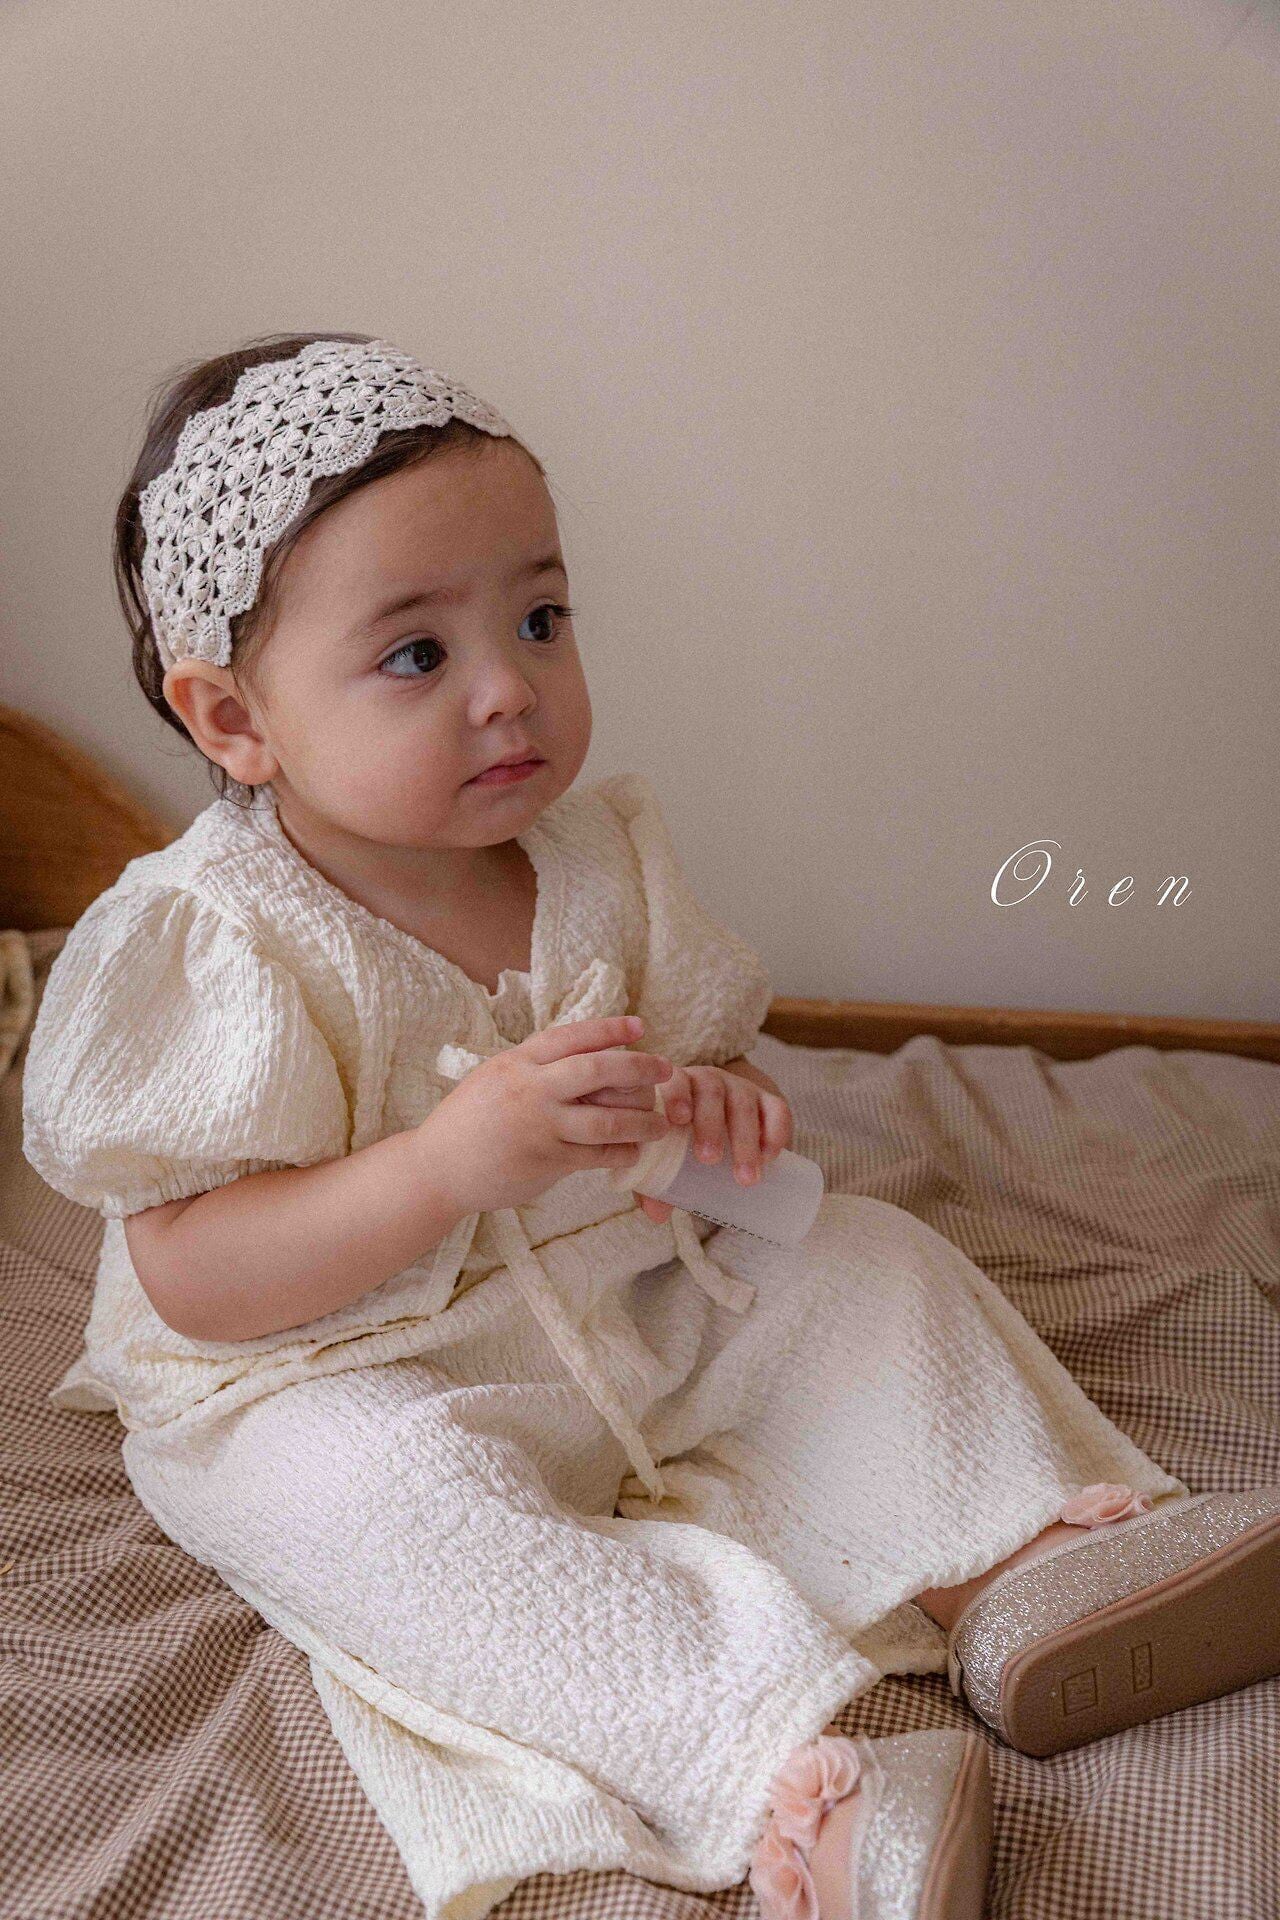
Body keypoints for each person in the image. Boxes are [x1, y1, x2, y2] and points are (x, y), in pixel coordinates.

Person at [22, 333, 1280, 1920]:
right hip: (327, 1363)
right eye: (416, 655)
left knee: (858, 1258)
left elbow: (700, 1088)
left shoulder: (597, 860)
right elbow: (197, 1278)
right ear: (233, 721)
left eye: (540, 620)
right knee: (385, 1511)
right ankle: (797, 1781)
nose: (509, 689)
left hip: (619, 1280)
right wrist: (442, 1165)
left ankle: (1018, 1563)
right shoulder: (218, 942)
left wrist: (712, 1114)